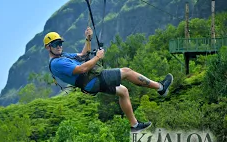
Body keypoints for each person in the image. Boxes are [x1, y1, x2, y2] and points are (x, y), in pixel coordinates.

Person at [43, 27, 173, 132]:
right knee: (127, 72)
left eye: (60, 43)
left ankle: (134, 125)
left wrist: (88, 39)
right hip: (92, 79)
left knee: (123, 91)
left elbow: (83, 55)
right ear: (48, 47)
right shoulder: (57, 63)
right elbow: (82, 69)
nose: (59, 46)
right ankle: (160, 87)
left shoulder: (63, 56)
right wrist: (98, 57)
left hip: (90, 83)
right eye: (55, 44)